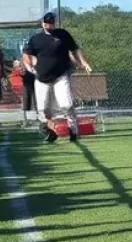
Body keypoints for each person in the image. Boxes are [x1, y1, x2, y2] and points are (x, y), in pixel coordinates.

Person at [23, 12, 91, 145]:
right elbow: (26, 55)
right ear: (42, 23)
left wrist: (83, 63)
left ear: (54, 23)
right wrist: (29, 67)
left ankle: (73, 131)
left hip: (60, 76)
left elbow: (75, 50)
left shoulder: (63, 35)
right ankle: (50, 131)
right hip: (41, 78)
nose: (48, 25)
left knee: (66, 104)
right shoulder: (36, 38)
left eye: (51, 22)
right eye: (46, 22)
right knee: (44, 110)